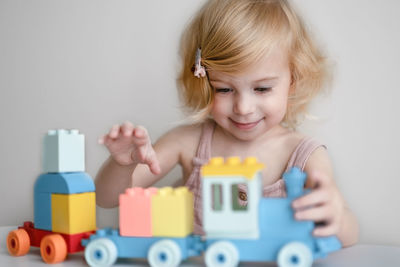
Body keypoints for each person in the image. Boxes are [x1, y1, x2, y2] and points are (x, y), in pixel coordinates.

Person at [95, 0, 358, 247]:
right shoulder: (187, 142)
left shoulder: (305, 155)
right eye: (224, 90)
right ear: (204, 82)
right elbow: (106, 199)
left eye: (262, 88)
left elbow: (350, 236)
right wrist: (122, 164)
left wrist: (336, 215)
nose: (243, 108)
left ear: (293, 80)